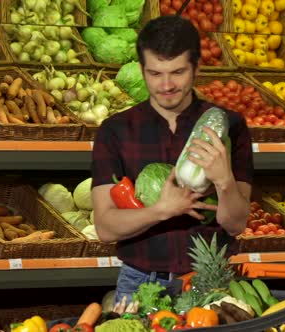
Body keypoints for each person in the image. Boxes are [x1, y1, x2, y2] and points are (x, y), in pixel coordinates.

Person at [91, 15, 254, 307]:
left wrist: (224, 180)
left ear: (196, 69)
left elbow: (236, 224)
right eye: (155, 73)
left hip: (212, 282)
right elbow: (105, 227)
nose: (166, 85)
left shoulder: (230, 125)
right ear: (142, 70)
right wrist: (162, 210)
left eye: (177, 72)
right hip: (140, 282)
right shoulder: (114, 131)